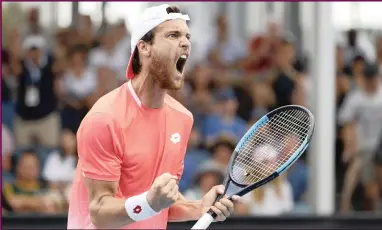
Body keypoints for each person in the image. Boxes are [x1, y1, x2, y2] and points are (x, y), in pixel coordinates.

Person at [68, 4, 240, 229]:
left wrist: (197, 208)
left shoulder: (183, 119)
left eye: (187, 36)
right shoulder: (105, 118)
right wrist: (148, 203)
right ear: (144, 47)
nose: (186, 42)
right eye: (173, 35)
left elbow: (162, 201)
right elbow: (100, 212)